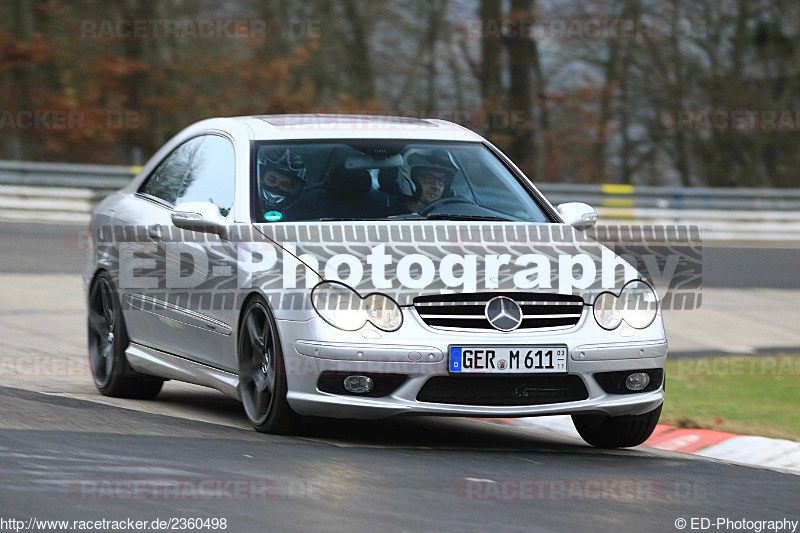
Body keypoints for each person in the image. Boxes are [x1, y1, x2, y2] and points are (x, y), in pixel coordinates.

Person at [393, 148, 457, 214]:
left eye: (441, 180)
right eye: (429, 178)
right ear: (409, 178)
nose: (436, 186)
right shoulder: (389, 220)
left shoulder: (449, 215)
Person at [257, 148, 307, 212]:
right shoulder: (243, 202)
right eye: (271, 180)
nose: (276, 187)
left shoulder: (302, 214)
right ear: (260, 177)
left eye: (284, 184)